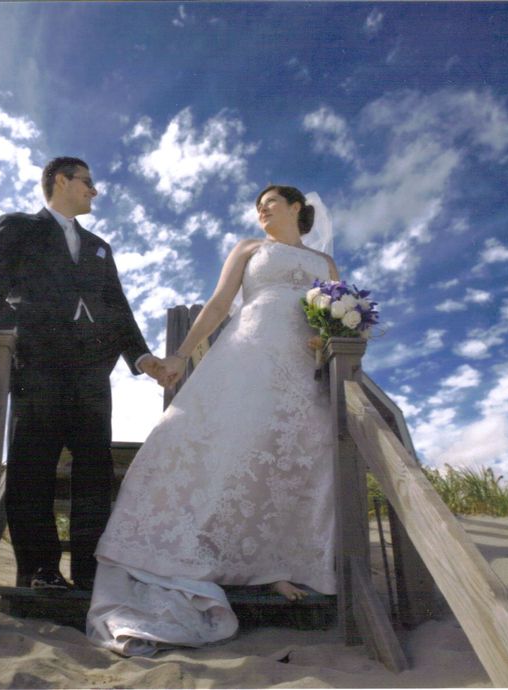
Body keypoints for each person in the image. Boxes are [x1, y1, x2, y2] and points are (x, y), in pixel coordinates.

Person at [86, 184, 341, 656]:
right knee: (228, 443)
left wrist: (336, 340)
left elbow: (336, 315)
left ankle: (276, 564)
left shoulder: (324, 265)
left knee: (293, 455)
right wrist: (181, 356)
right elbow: (221, 303)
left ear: (297, 208)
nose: (261, 210)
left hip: (302, 364)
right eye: (257, 206)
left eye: (270, 203)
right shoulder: (249, 248)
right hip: (250, 354)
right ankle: (221, 558)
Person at [0, 157, 166, 591]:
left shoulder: (100, 248)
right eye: (88, 182)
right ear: (61, 181)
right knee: (31, 468)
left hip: (92, 373)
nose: (94, 191)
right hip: (38, 367)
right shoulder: (19, 227)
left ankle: (90, 574)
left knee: (95, 471)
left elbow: (118, 309)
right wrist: (25, 333)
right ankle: (40, 571)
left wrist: (142, 357)